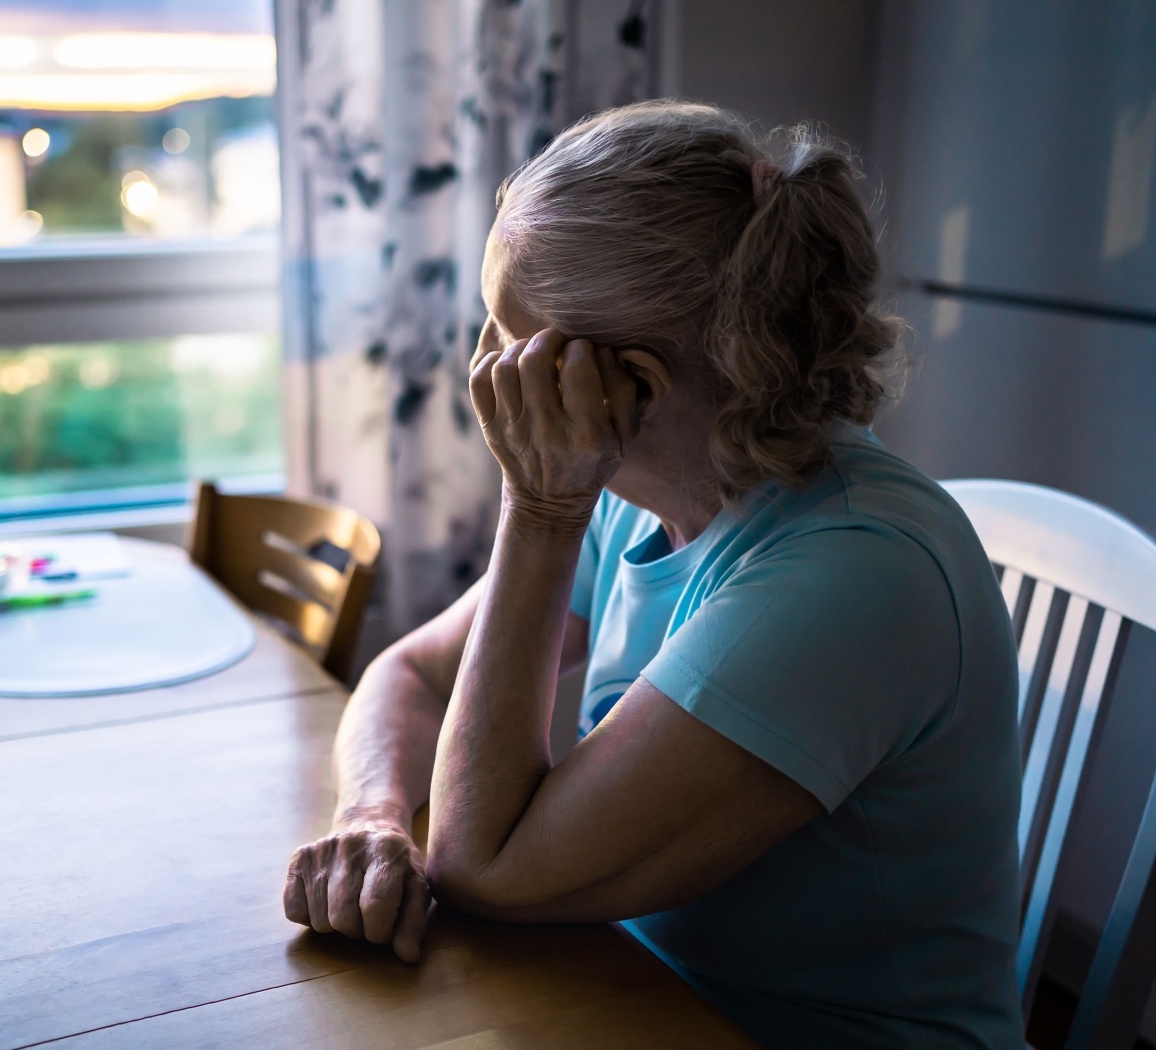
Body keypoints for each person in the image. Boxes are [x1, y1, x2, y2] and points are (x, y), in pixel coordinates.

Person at [282, 101, 1022, 1049]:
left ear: (635, 382)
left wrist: (539, 511)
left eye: (506, 337)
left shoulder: (852, 575)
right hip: (625, 995)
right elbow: (413, 674)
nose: (478, 370)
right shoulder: (647, 494)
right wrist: (374, 813)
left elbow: (482, 864)